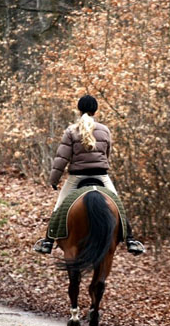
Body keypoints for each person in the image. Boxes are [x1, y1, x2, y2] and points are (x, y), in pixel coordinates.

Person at [33, 95, 145, 255]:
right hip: (101, 176)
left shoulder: (71, 130)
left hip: (76, 177)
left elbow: (62, 159)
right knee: (119, 206)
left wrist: (54, 180)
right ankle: (130, 240)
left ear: (79, 109)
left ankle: (48, 242)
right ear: (95, 109)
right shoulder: (105, 130)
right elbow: (106, 155)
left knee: (59, 208)